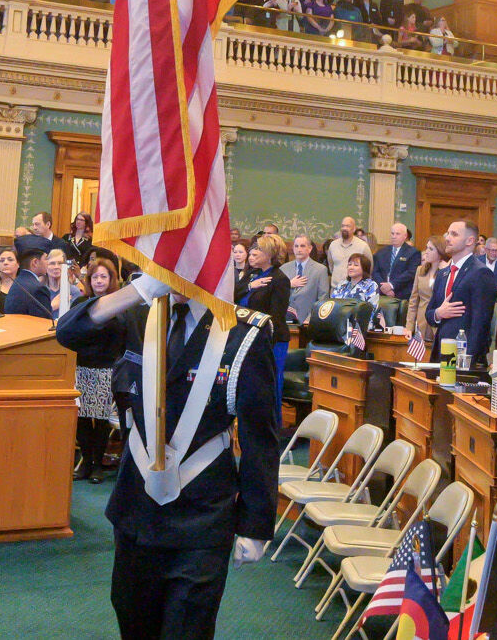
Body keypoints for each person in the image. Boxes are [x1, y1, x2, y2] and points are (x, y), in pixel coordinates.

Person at [55, 275, 278, 640]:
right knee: (134, 624)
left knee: (186, 630)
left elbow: (260, 438)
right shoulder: (138, 316)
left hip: (201, 517)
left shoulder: (243, 333)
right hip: (136, 512)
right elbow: (68, 333)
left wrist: (255, 524)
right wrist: (137, 291)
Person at [69, 257, 128, 483]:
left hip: (106, 368)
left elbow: (123, 334)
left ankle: (96, 466)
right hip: (82, 366)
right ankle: (85, 462)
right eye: (95, 277)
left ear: (111, 279)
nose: (99, 280)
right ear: (89, 280)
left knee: (101, 419)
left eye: (104, 276)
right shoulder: (81, 304)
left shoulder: (118, 304)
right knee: (82, 418)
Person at [427, 219, 497, 367]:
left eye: (454, 234)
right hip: (440, 354)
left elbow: (481, 324)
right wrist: (438, 313)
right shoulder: (443, 273)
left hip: (463, 357)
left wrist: (467, 361)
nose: (447, 238)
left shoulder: (481, 273)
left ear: (470, 241)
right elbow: (429, 314)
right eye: (447, 233)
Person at [237, 235, 292, 409]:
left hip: (270, 340)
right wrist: (250, 287)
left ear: (269, 254)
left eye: (258, 250)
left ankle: (271, 427)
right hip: (246, 337)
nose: (253, 253)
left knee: (269, 385)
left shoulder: (279, 279)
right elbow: (232, 294)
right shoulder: (252, 274)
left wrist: (265, 340)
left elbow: (276, 316)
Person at [280, 234, 330, 323]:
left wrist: (310, 319)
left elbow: (323, 299)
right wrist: (288, 284)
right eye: (296, 246)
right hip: (285, 320)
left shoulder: (320, 270)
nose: (299, 249)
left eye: (302, 246)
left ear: (310, 248)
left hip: (308, 321)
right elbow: (277, 294)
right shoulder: (284, 268)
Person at [405, 238, 442, 345]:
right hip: (421, 321)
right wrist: (409, 326)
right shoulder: (420, 270)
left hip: (438, 322)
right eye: (426, 248)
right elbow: (413, 300)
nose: (426, 251)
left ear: (440, 252)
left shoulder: (447, 272)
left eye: (431, 249)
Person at [373, 223, 419, 301]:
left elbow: (410, 273)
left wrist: (391, 285)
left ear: (405, 236)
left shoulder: (413, 253)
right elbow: (375, 272)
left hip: (402, 296)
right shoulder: (381, 252)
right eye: (392, 233)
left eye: (397, 234)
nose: (394, 236)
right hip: (382, 295)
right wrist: (384, 288)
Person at [6, 248, 54, 319]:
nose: (48, 262)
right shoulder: (39, 289)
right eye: (46, 259)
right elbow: (45, 324)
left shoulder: (18, 281)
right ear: (35, 262)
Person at [0, 248, 22, 314]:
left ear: (18, 264)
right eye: (1, 261)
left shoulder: (24, 286)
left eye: (10, 260)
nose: (5, 263)